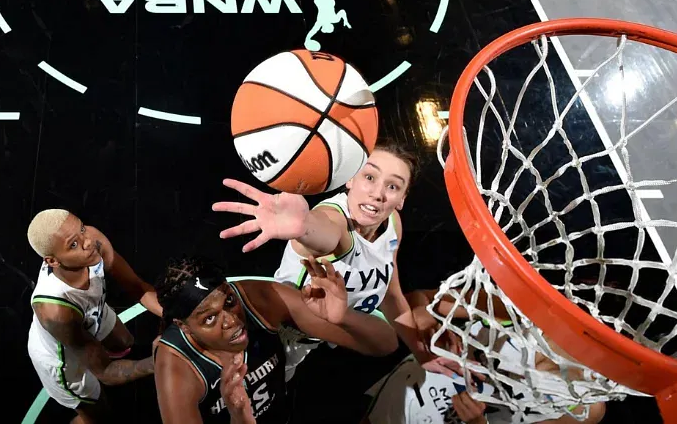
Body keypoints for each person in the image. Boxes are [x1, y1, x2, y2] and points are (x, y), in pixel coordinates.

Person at [213, 143, 458, 381]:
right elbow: (327, 234)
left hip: (306, 343)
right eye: (369, 177)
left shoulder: (393, 224)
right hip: (265, 333)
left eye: (393, 186)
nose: (378, 194)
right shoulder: (335, 220)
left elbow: (390, 294)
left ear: (402, 199)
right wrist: (304, 226)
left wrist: (422, 354)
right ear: (350, 180)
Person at [152, 255, 398, 424]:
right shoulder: (177, 369)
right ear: (184, 327)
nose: (232, 321)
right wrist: (240, 417)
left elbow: (386, 344)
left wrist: (343, 317)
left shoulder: (258, 298)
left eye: (229, 301)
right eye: (209, 319)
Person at [360, 289, 607, 424]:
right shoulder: (525, 313)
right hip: (408, 390)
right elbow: (423, 298)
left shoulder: (587, 407)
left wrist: (477, 422)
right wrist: (427, 318)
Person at [25, 209, 162, 423]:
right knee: (99, 414)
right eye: (73, 244)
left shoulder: (91, 240)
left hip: (91, 311)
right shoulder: (55, 311)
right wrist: (157, 363)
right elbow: (105, 371)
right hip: (62, 359)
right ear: (52, 261)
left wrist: (180, 316)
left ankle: (112, 360)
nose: (87, 241)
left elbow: (137, 287)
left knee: (125, 341)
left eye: (81, 228)